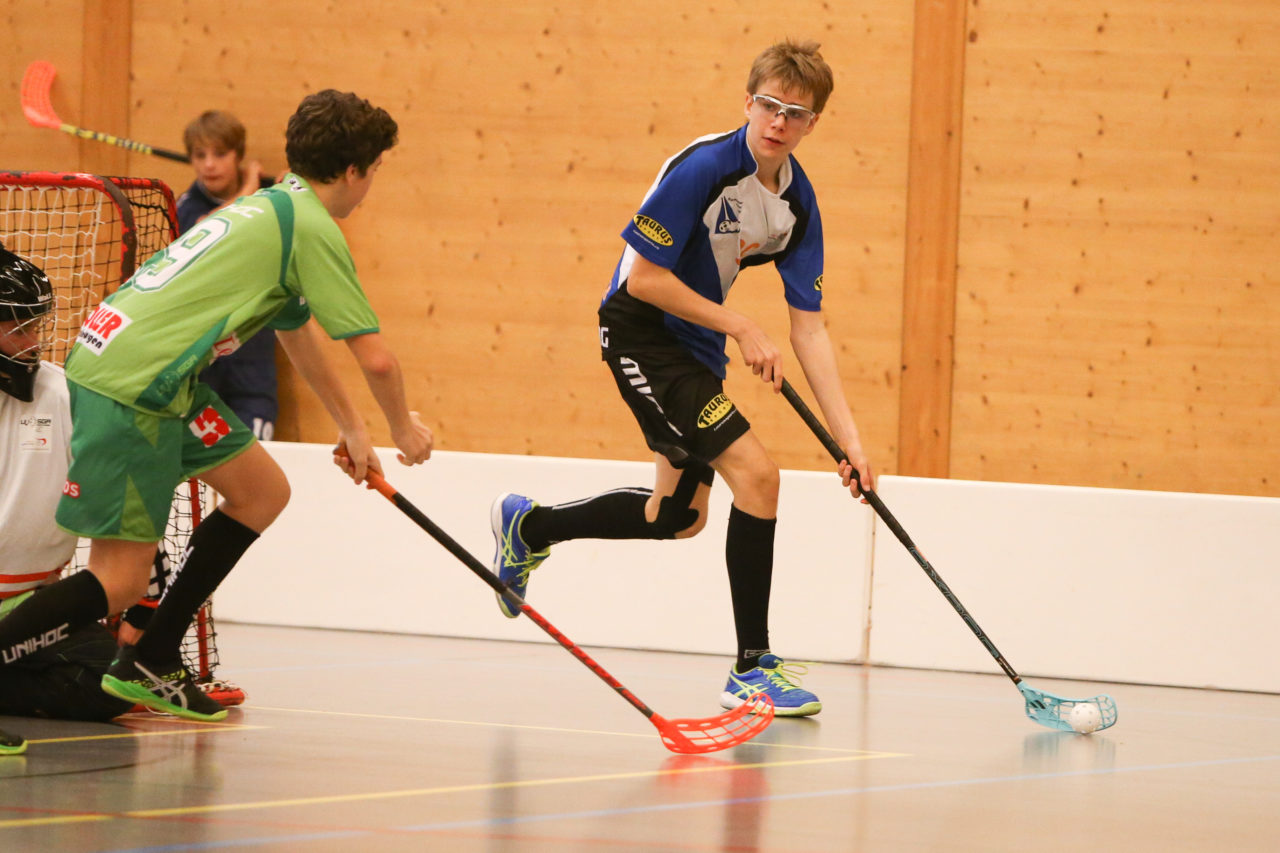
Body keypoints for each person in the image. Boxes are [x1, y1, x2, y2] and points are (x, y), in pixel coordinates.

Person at [0, 90, 433, 726]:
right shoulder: (312, 225)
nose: (371, 186)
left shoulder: (274, 209)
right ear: (353, 171)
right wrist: (403, 430)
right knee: (120, 579)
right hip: (134, 384)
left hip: (156, 376)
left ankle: (154, 657)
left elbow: (295, 329)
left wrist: (353, 429)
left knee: (261, 491)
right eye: (376, 170)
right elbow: (378, 361)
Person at [488, 41, 873, 717]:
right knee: (758, 476)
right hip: (643, 330)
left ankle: (530, 526)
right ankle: (752, 667)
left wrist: (851, 444)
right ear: (747, 102)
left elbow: (809, 329)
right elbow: (644, 277)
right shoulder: (705, 167)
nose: (779, 121)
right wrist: (740, 325)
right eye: (769, 105)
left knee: (677, 517)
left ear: (813, 124)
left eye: (796, 113)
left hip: (694, 345)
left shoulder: (797, 203)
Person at [0, 247, 132, 757]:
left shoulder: (64, 393)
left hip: (32, 607)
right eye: (18, 329)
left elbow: (118, 498)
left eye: (37, 326)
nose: (33, 342)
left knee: (110, 680)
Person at [178, 110, 280, 440]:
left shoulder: (270, 192)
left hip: (253, 344)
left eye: (220, 154)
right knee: (207, 464)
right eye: (200, 155)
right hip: (204, 348)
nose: (209, 165)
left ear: (238, 155)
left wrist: (293, 184)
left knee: (258, 459)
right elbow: (214, 227)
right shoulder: (187, 206)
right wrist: (251, 183)